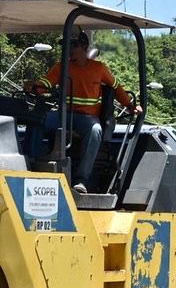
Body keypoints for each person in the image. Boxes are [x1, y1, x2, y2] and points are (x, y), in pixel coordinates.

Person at [25, 27, 142, 193]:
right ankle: (29, 161)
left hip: (87, 119)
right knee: (37, 118)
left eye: (73, 45)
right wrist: (33, 86)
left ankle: (81, 180)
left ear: (84, 46)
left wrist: (130, 106)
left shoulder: (99, 68)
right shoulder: (61, 67)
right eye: (67, 45)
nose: (69, 49)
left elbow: (117, 88)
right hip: (64, 115)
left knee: (95, 130)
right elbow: (44, 85)